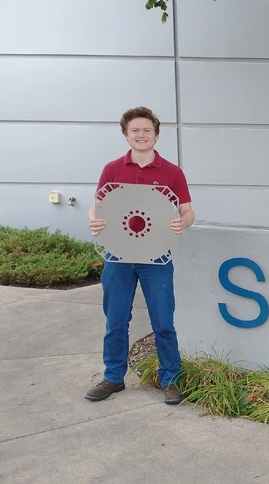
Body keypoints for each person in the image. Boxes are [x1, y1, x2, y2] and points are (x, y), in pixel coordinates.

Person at [84, 106, 195, 404]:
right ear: (126, 134)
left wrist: (181, 222)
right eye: (135, 130)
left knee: (163, 322)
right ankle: (113, 378)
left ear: (156, 135)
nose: (141, 135)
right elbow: (99, 205)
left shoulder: (172, 172)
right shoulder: (112, 169)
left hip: (156, 258)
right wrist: (92, 217)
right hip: (118, 257)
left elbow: (187, 211)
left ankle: (171, 379)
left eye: (147, 130)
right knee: (116, 321)